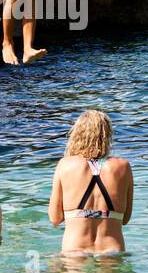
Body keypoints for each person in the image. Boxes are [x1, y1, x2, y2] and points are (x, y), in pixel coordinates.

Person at [48, 109, 134, 254]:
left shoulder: (65, 165)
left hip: (74, 249)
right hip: (112, 249)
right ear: (107, 136)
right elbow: (125, 219)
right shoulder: (123, 166)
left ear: (78, 134)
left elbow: (55, 218)